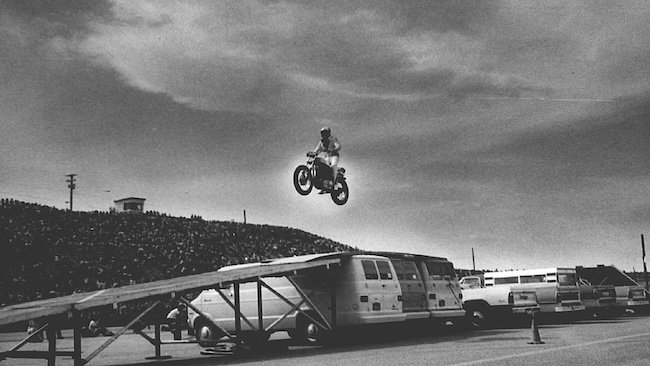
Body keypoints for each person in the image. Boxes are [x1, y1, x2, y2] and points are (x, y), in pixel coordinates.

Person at [312, 127, 341, 192]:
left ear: (328, 133)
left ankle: (335, 184)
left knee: (333, 167)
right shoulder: (321, 141)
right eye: (323, 133)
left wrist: (334, 149)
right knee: (321, 166)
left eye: (325, 132)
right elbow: (317, 149)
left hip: (334, 156)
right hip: (327, 157)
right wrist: (313, 153)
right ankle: (323, 184)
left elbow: (338, 145)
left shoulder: (332, 139)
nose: (324, 134)